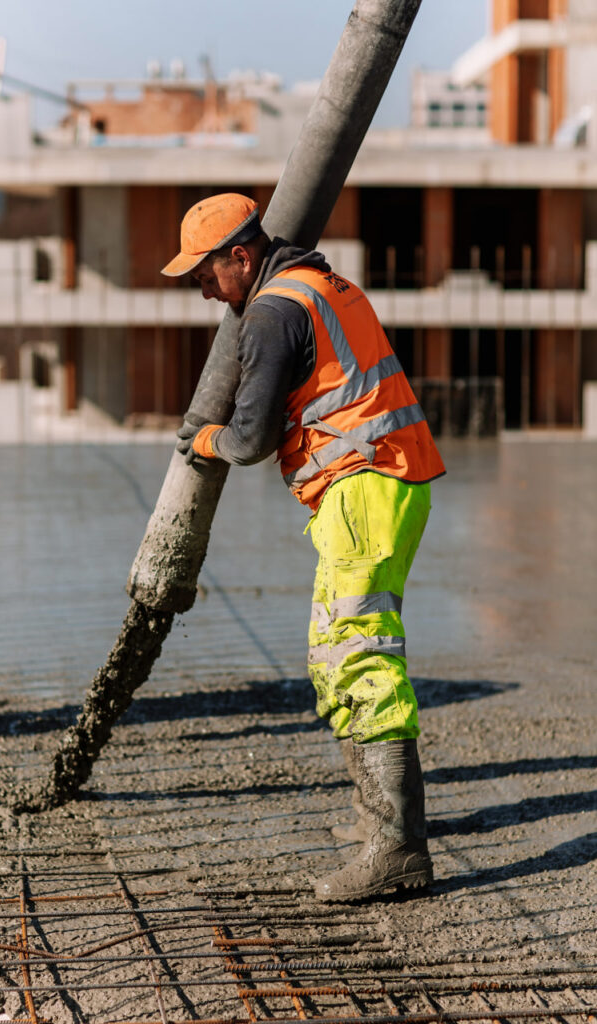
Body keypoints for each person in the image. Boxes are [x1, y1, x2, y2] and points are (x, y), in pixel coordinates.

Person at [163, 193, 445, 903]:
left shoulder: (272, 313)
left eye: (204, 271)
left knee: (358, 653)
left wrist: (201, 438)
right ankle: (379, 826)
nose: (200, 287)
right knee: (334, 652)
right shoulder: (321, 284)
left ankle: (398, 849)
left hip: (365, 484)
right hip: (383, 481)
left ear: (242, 256)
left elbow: (250, 440)